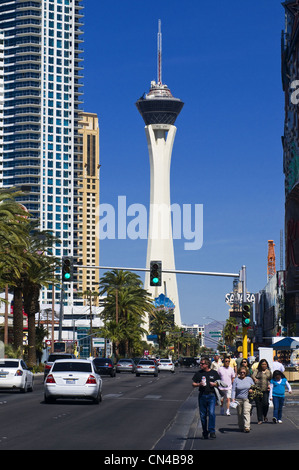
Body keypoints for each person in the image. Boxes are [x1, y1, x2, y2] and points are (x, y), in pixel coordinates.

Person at [192, 358, 220, 439]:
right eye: (200, 363)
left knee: (211, 413)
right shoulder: (199, 373)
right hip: (202, 396)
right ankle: (205, 431)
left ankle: (212, 431)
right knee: (203, 415)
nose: (200, 365)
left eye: (202, 364)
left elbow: (219, 383)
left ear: (207, 365)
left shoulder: (214, 373)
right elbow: (193, 384)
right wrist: (198, 384)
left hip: (211, 396)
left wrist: (214, 384)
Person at [231, 366, 254, 433]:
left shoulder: (249, 379)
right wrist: (233, 399)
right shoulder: (236, 380)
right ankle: (241, 426)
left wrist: (251, 390)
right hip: (238, 399)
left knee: (246, 412)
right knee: (240, 414)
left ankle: (247, 427)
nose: (242, 373)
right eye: (241, 372)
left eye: (243, 372)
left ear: (246, 372)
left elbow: (254, 387)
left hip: (247, 399)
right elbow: (233, 390)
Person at [251, 359, 272, 424]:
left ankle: (264, 415)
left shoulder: (268, 371)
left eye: (265, 364)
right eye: (262, 364)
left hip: (265, 390)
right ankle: (260, 419)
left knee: (265, 403)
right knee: (258, 404)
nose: (264, 366)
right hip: (258, 390)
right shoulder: (257, 371)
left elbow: (271, 379)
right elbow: (253, 376)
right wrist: (255, 379)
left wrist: (269, 385)